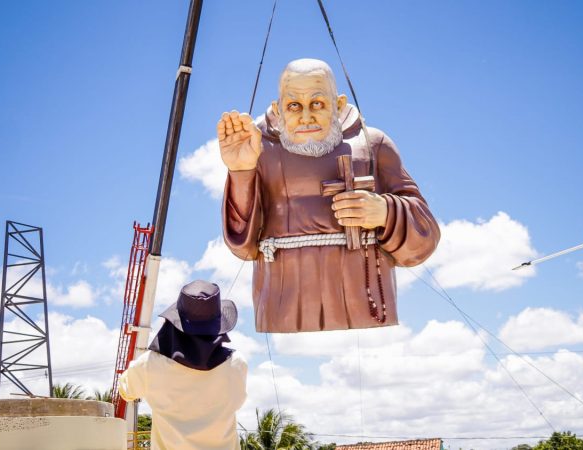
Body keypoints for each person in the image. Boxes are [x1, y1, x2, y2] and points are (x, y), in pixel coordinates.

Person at [219, 58, 440, 333]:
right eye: (294, 106)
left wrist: (384, 211)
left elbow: (425, 233)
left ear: (338, 104)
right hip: (283, 303)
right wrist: (241, 171)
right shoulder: (258, 150)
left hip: (363, 299)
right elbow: (243, 245)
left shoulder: (373, 145)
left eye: (318, 103)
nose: (306, 116)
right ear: (278, 109)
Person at [118, 280, 248, 450]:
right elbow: (237, 401)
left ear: (174, 323)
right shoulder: (237, 363)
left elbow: (126, 391)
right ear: (218, 326)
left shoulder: (150, 364)